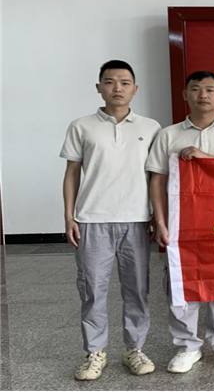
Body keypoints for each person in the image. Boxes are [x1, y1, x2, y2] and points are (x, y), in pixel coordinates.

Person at [146, 71, 214, 373]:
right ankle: (186, 347)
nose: (203, 95)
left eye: (209, 89)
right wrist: (160, 221)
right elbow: (157, 181)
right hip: (181, 224)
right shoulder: (168, 135)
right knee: (181, 285)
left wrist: (204, 156)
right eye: (195, 89)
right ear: (186, 95)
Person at [61, 60, 161, 380]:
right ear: (98, 87)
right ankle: (95, 352)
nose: (117, 88)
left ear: (135, 88)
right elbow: (72, 173)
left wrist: (156, 214)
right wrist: (69, 216)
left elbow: (156, 177)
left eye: (124, 82)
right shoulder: (81, 126)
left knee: (137, 289)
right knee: (92, 290)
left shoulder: (151, 127)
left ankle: (134, 349)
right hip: (92, 220)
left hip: (137, 220)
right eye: (109, 81)